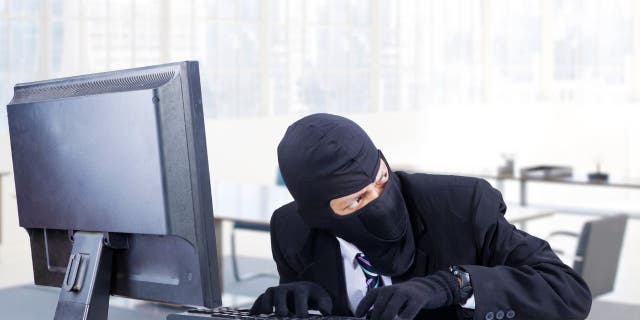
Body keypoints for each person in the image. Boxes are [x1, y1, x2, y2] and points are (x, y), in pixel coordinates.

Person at [249, 113, 592, 320]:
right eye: (354, 202)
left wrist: (456, 285)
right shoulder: (291, 230)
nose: (378, 201)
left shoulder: (463, 207)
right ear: (317, 214)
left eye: (381, 180)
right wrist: (286, 307)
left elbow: (567, 292)